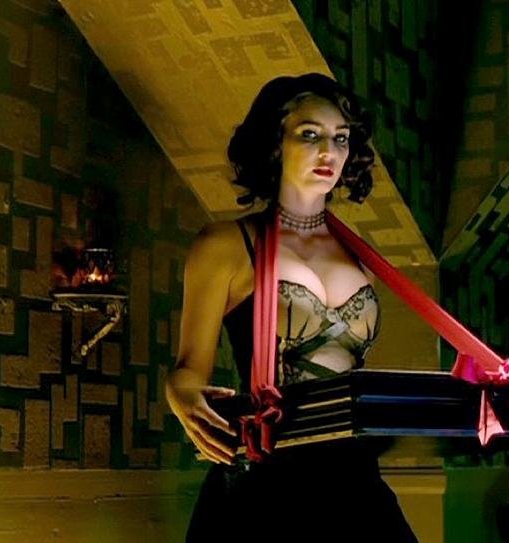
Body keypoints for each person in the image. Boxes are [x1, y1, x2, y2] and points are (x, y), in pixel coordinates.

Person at [165, 73, 418, 542]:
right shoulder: (226, 245)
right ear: (275, 143)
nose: (329, 152)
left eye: (340, 138)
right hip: (267, 484)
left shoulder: (359, 256)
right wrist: (180, 395)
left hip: (355, 483)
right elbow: (188, 369)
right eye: (310, 134)